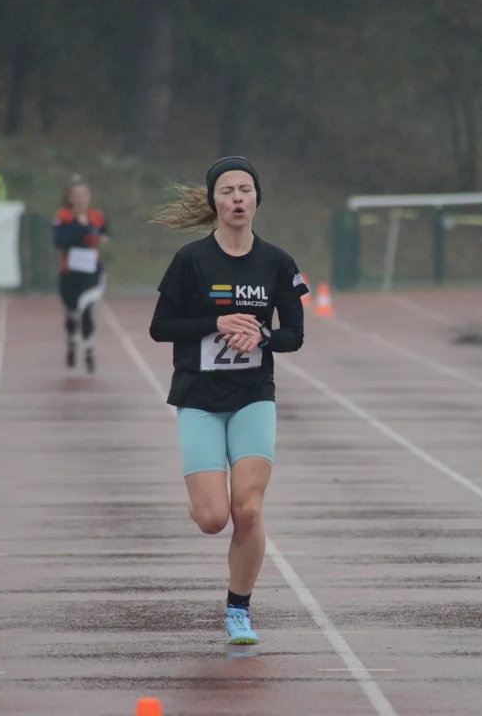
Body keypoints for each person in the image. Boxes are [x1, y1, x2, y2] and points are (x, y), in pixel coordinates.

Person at [148, 156, 310, 645]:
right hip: (198, 397)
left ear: (257, 198)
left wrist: (262, 334)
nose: (237, 198)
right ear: (213, 202)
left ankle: (238, 609)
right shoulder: (191, 260)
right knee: (213, 518)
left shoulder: (278, 262)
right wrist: (215, 323)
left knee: (249, 510)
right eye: (227, 191)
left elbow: (294, 337)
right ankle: (204, 496)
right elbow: (160, 328)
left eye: (245, 189)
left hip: (252, 397)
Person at [52, 174, 109, 373]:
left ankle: (89, 350)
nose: (80, 199)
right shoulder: (63, 217)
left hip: (91, 271)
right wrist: (81, 228)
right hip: (69, 272)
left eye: (84, 194)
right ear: (69, 198)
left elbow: (104, 233)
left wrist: (102, 238)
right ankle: (71, 342)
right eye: (76, 195)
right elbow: (59, 242)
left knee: (86, 308)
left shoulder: (97, 216)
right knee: (71, 312)